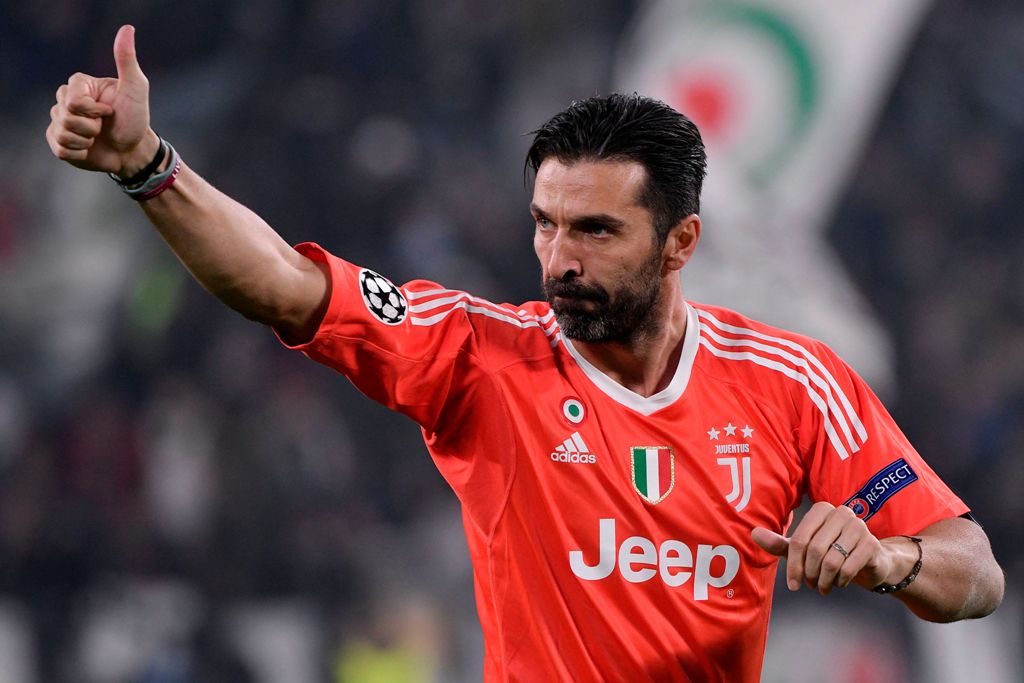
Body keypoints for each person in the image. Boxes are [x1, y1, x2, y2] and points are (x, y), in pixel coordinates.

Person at [47, 25, 1004, 682]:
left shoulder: (792, 382)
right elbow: (283, 286)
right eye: (545, 224)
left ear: (681, 243)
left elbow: (977, 572)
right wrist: (148, 168)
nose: (558, 259)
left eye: (594, 230)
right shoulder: (479, 355)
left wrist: (891, 555)